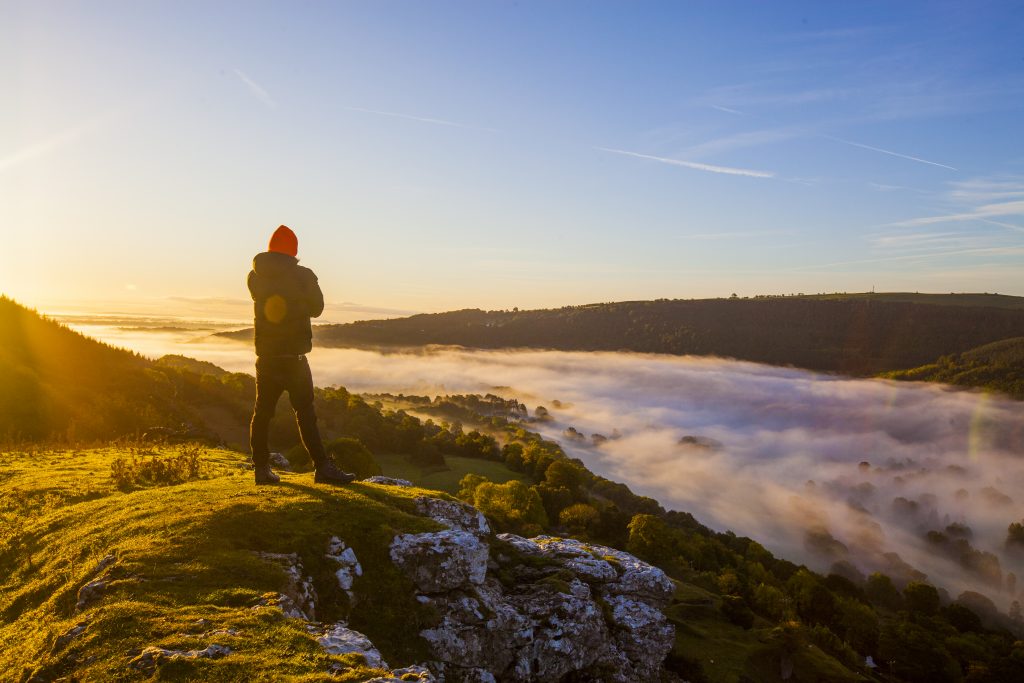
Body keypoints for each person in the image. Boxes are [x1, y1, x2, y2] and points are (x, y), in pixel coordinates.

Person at [247, 224, 355, 485]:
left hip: (267, 357)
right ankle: (323, 468)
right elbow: (317, 308)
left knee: (262, 413)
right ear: (294, 250)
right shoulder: (303, 275)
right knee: (305, 413)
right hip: (294, 358)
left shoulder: (254, 276)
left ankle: (261, 470)